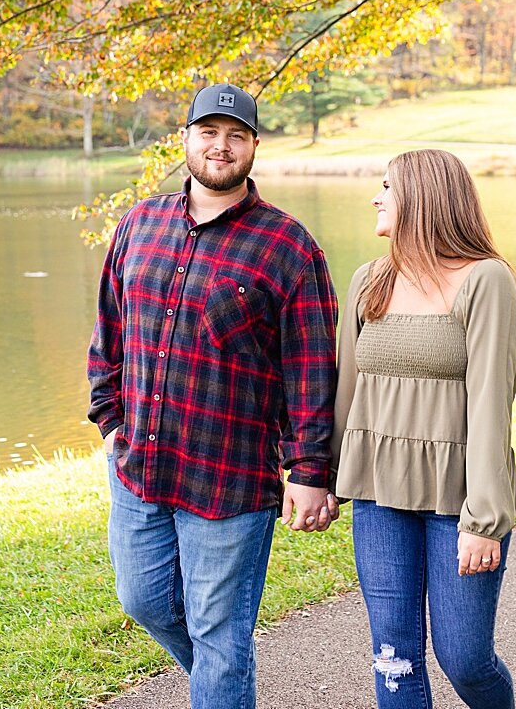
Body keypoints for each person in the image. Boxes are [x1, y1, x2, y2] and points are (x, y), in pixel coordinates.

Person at [87, 83, 340, 709]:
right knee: (144, 602)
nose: (220, 146)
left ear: (253, 146)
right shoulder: (138, 224)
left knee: (220, 635)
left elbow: (311, 373)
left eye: (236, 135)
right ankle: (222, 683)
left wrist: (309, 472)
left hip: (230, 484)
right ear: (187, 139)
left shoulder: (290, 248)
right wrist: (110, 419)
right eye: (209, 132)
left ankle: (221, 682)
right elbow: (108, 332)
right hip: (139, 466)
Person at [332, 149, 516, 707]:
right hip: (378, 495)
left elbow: (492, 401)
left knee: (465, 659)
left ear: (424, 197)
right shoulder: (369, 279)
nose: (376, 196)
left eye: (387, 186)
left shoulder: (486, 281)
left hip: (459, 499)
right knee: (394, 657)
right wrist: (320, 475)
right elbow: (348, 386)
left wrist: (484, 518)